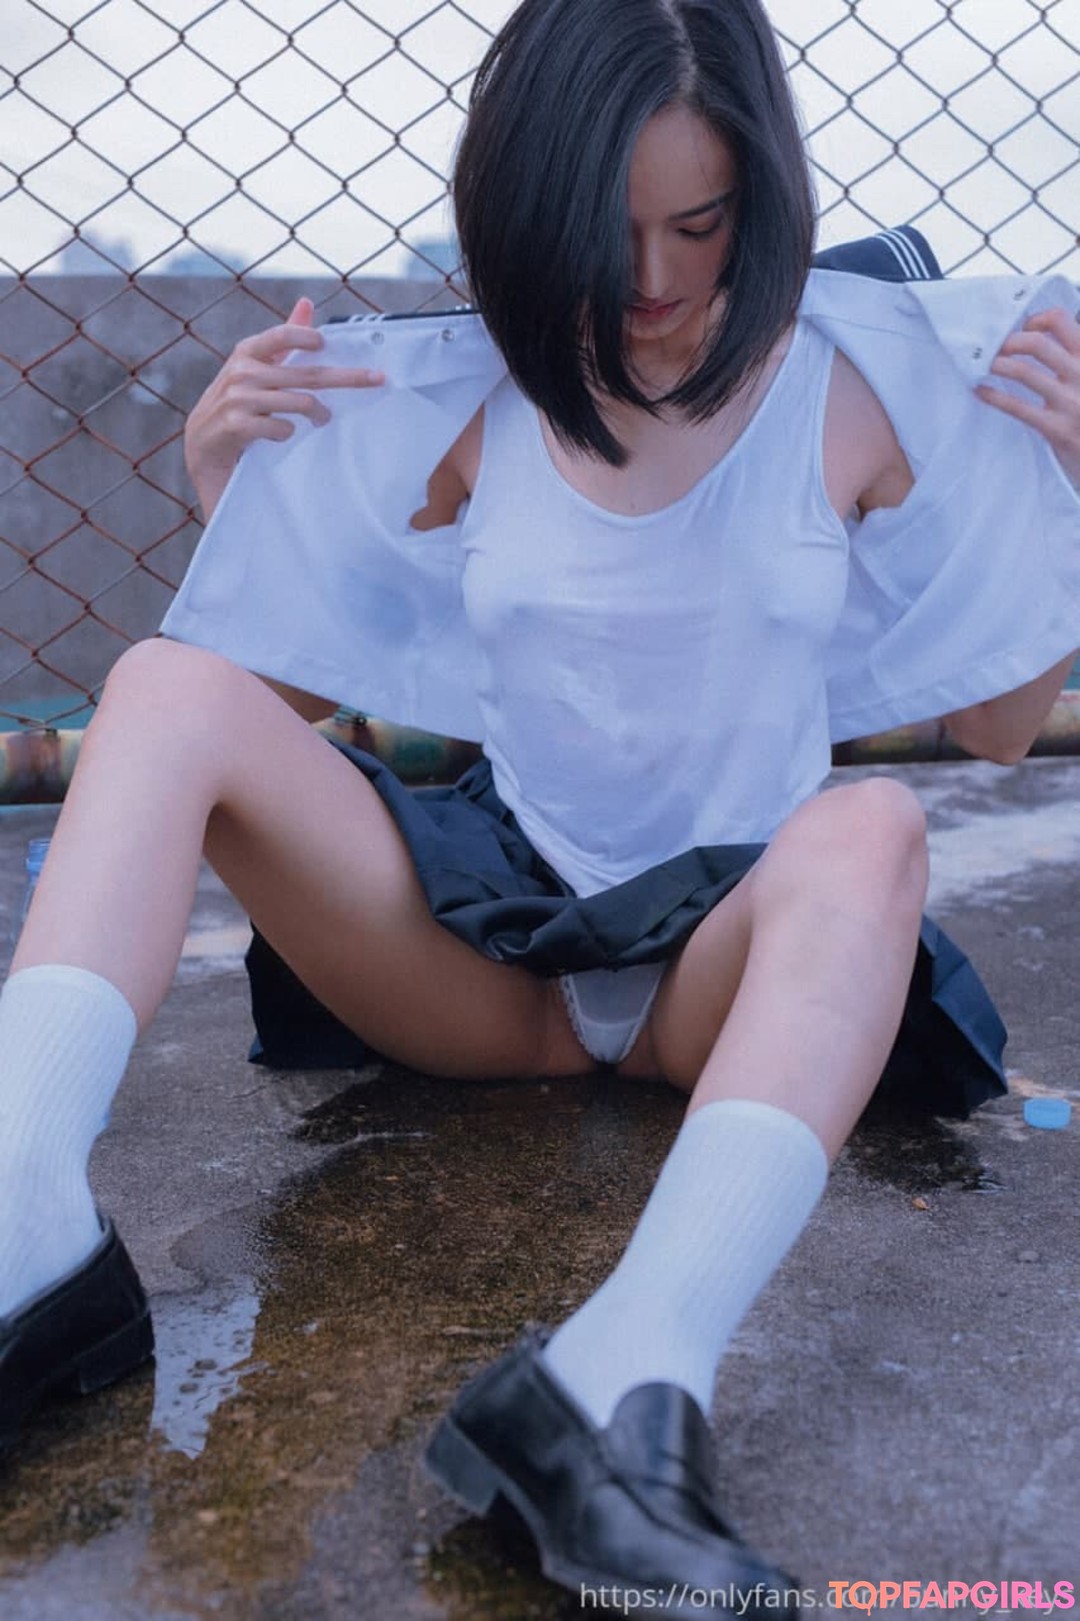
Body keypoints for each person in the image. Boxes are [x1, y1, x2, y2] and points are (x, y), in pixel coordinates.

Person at [1, 0, 1078, 1611]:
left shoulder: (852, 390)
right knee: (161, 682)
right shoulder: (472, 397)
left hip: (726, 964)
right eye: (608, 228)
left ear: (764, 195)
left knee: (873, 830)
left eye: (700, 224)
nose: (655, 281)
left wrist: (1066, 494)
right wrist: (234, 496)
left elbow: (994, 726)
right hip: (490, 950)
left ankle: (618, 1387)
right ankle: (23, 1222)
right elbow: (261, 710)